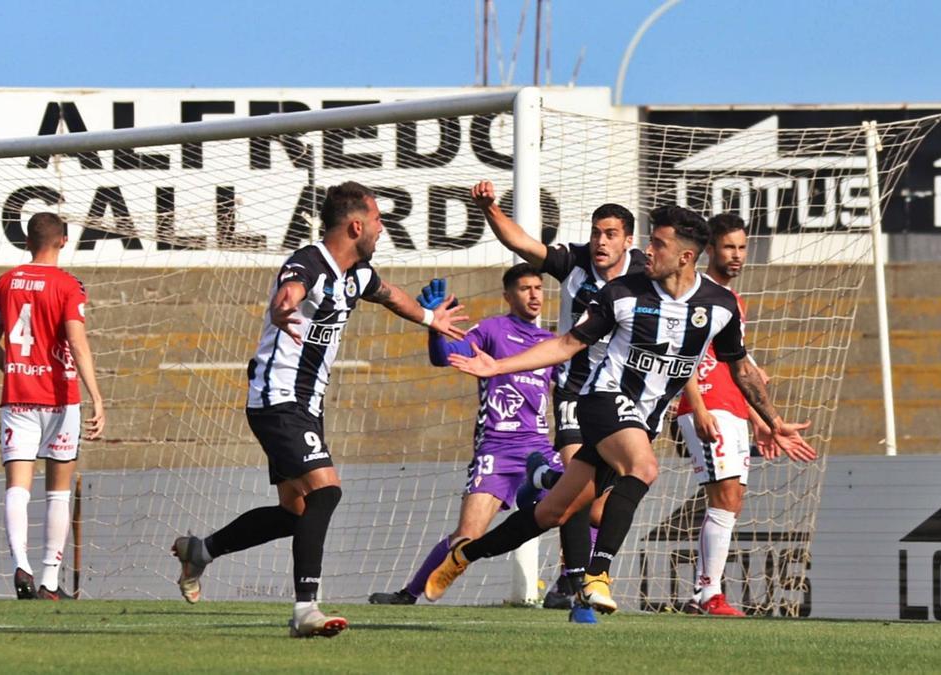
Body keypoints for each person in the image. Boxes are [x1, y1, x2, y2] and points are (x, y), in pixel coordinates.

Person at [425, 205, 816, 616]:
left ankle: (464, 556)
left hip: (644, 420)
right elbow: (567, 344)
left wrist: (772, 421)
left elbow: (741, 369)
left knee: (555, 511)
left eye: (658, 244)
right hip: (600, 400)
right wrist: (498, 365)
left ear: (685, 256)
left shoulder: (720, 306)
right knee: (644, 469)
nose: (648, 251)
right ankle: (598, 575)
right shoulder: (624, 293)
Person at [169, 182, 466, 638]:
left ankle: (201, 551)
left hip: (306, 405)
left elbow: (389, 294)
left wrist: (431, 319)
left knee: (295, 511)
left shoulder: (358, 273)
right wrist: (281, 306)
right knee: (326, 492)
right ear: (355, 225)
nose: (382, 228)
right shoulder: (308, 262)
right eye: (378, 220)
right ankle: (306, 608)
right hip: (277, 399)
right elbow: (289, 290)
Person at [471, 179, 644, 609]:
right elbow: (525, 245)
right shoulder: (575, 261)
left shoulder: (645, 275)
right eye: (596, 232)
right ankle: (575, 581)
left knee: (599, 503)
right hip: (573, 389)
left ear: (628, 240)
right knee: (578, 487)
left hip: (620, 396)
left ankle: (545, 480)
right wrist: (491, 210)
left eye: (610, 234)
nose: (600, 242)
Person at [368, 265, 561, 605]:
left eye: (538, 288)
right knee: (467, 536)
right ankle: (409, 594)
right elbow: (443, 357)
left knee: (587, 506)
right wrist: (434, 330)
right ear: (507, 296)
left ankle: (572, 588)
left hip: (539, 449)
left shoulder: (551, 344)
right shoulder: (492, 330)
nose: (533, 295)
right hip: (497, 451)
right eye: (524, 288)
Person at [0, 212, 106, 601]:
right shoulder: (69, 285)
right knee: (57, 491)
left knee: (17, 487)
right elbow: (77, 342)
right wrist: (97, 397)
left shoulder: (5, 283)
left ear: (26, 242)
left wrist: (16, 368)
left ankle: (19, 563)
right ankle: (49, 581)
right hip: (60, 398)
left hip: (18, 397)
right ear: (63, 240)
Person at [675, 213, 773, 617]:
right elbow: (681, 354)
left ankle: (707, 593)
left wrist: (761, 418)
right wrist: (696, 407)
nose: (736, 255)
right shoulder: (697, 293)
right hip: (706, 403)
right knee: (724, 496)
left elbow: (737, 366)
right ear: (709, 250)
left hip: (731, 405)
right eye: (728, 247)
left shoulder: (733, 301)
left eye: (742, 247)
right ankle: (707, 593)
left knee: (732, 500)